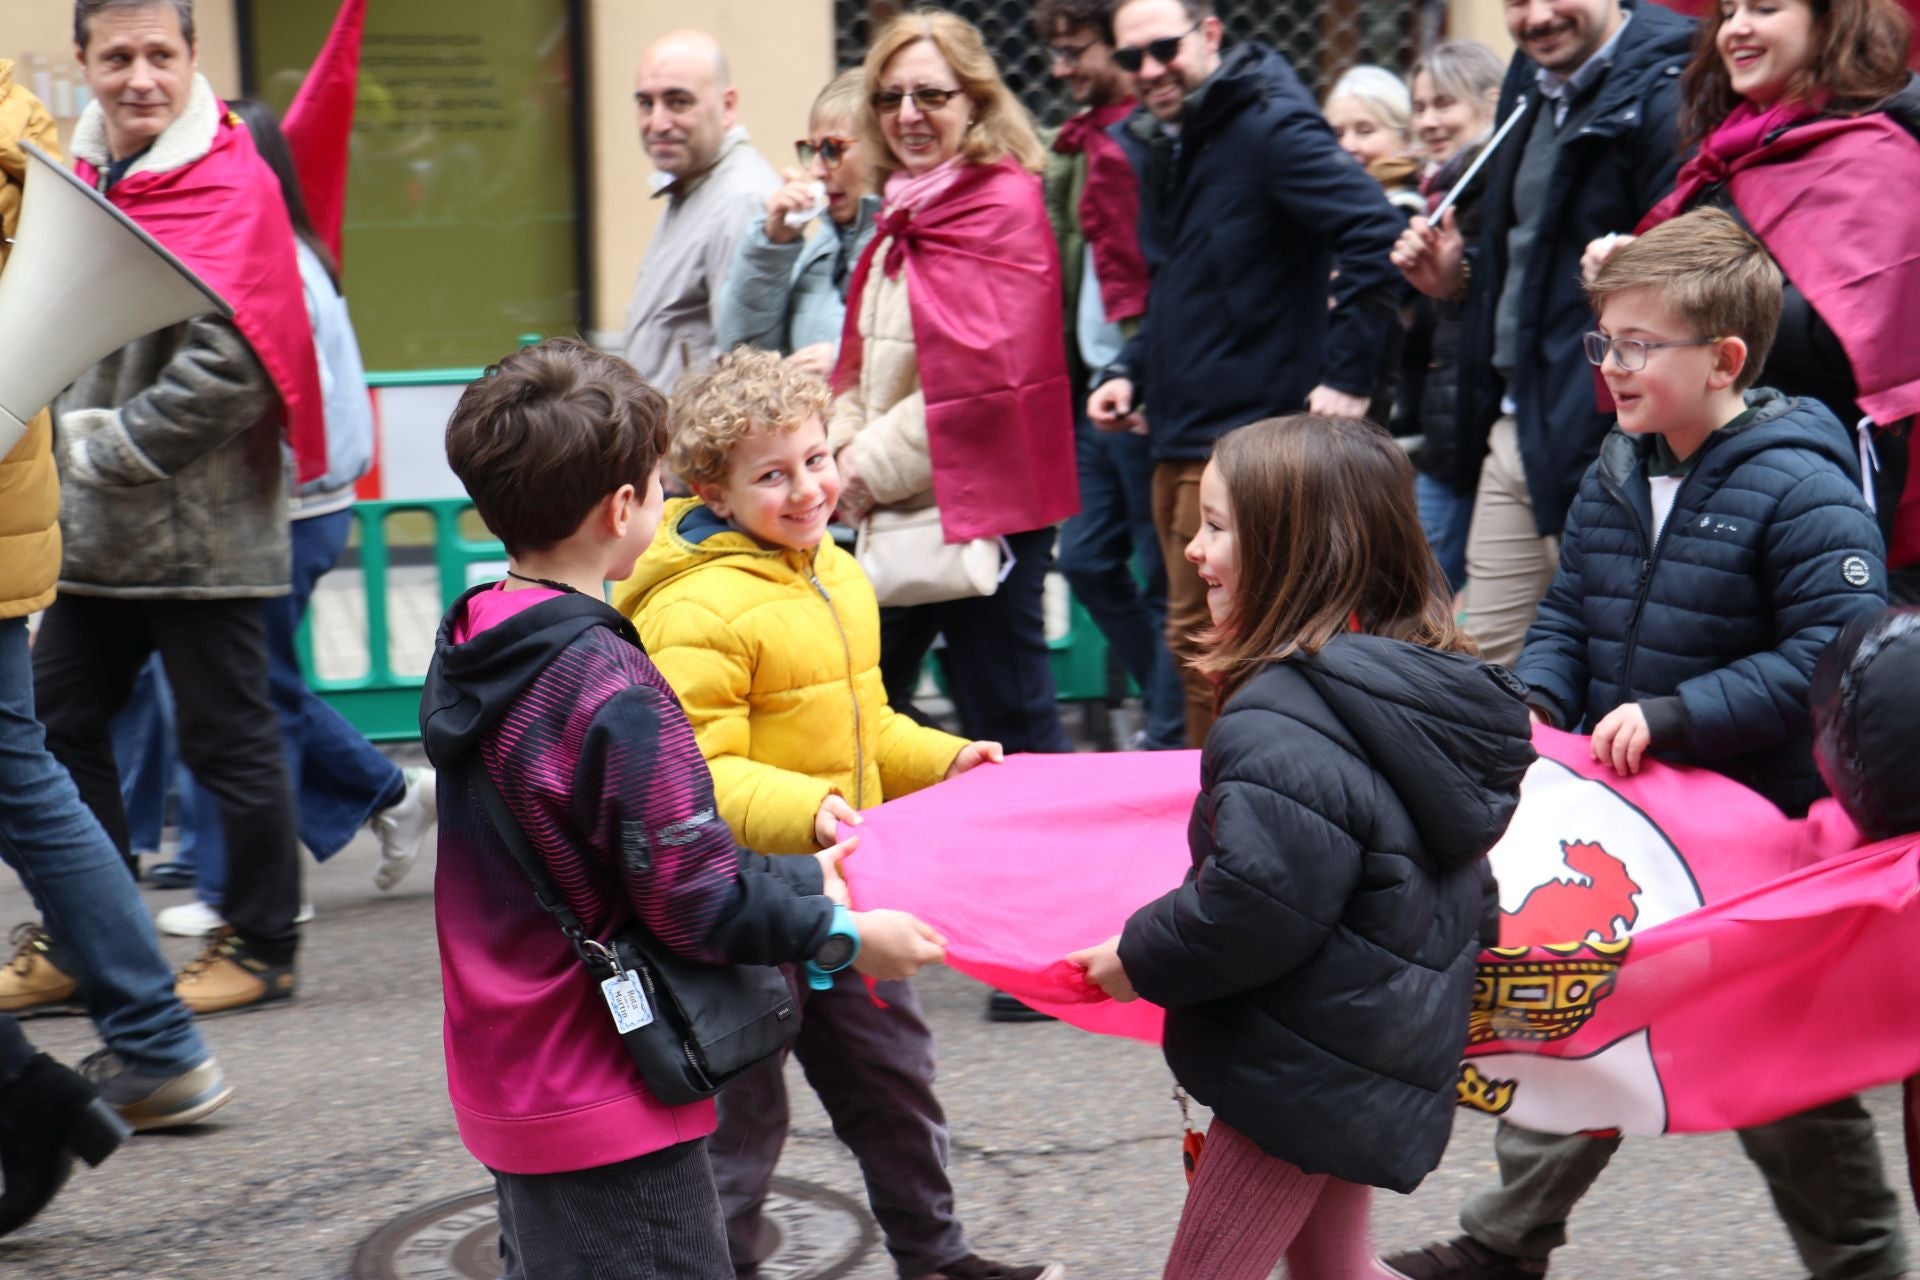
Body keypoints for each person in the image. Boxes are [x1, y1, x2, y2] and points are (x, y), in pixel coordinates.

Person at [1385, 211, 1905, 1280]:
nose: (1611, 366)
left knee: (1779, 1068)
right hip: (1636, 819)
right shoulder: (1620, 464)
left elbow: (1832, 654)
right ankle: (1502, 1241)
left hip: (1753, 832)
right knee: (1584, 1011)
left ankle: (1864, 1263)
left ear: (1723, 361)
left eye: (1637, 344)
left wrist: (1678, 713)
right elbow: (1573, 608)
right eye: (1604, 340)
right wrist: (1538, 697)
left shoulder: (1801, 481)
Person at [423, 339, 948, 1279]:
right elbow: (692, 900)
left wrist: (795, 869)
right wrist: (842, 930)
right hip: (606, 1083)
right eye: (658, 481)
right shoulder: (613, 683)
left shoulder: (480, 631)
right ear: (625, 507)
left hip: (508, 1061)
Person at [615, 349, 1061, 1280]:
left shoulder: (833, 571)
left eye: (817, 459)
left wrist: (948, 760)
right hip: (740, 909)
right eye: (772, 475)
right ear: (713, 491)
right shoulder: (696, 606)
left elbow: (872, 723)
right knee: (740, 1120)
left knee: (894, 1086)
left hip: (847, 887)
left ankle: (935, 1260)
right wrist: (810, 807)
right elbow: (694, 770)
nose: (808, 488)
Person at [1067, 414, 1535, 1280]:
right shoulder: (1402, 692)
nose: (1196, 551)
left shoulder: (1283, 717)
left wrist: (1138, 956)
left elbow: (1252, 903)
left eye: (1216, 526)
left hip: (1301, 1067)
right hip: (1357, 1047)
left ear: (1293, 551)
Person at [30, 0, 320, 1016]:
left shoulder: (231, 178)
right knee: (56, 724)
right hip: (95, 535)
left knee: (227, 741)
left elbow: (237, 363)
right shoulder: (74, 170)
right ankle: (88, 933)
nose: (140, 77)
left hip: (204, 533)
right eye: (118, 57)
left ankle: (266, 943)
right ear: (84, 62)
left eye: (161, 55)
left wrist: (103, 443)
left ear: (194, 58)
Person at [0, 40, 231, 1128]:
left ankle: (154, 1034)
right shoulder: (22, 120)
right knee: (26, 764)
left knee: (24, 770)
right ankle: (152, 1034)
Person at [148, 96, 436, 939]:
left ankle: (258, 884)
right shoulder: (296, 253)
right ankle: (386, 798)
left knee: (229, 693)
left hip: (284, 512)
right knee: (245, 686)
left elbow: (272, 405)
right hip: (301, 509)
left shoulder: (276, 263)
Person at [1090, 0, 1406, 747]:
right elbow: (1185, 282)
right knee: (1200, 648)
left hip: (1246, 446)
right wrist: (1131, 370)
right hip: (1183, 434)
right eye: (1131, 58)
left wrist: (1348, 377)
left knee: (1223, 651)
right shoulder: (1183, 136)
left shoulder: (1266, 124)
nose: (1149, 70)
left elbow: (1374, 232)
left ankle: (1234, 825)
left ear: (1208, 35)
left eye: (1163, 49)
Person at [1582, 0, 1920, 601]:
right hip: (1699, 474)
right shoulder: (1732, 148)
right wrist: (1630, 275)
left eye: (1764, 8)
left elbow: (1853, 337)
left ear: (1832, 21)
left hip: (1805, 489)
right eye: (1728, 9)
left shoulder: (1879, 155)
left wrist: (1677, 302)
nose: (1736, 27)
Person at [1390, 0, 1695, 666]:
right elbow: (1521, 261)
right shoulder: (1529, 83)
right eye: (1517, 2)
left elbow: (1701, 267)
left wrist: (1637, 269)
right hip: (1515, 419)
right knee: (1485, 663)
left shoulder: (1672, 80)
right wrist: (1457, 278)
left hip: (1615, 432)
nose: (1536, 17)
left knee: (1617, 661)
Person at [828, 10, 1079, 756]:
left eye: (931, 95)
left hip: (989, 510)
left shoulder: (1000, 204)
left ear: (975, 101)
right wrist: (841, 446)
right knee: (866, 714)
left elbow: (977, 386)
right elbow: (862, 367)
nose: (908, 115)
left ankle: (1067, 869)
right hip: (898, 507)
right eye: (889, 97)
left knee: (1012, 722)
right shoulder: (902, 209)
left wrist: (855, 469)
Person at [1037, 0, 1184, 755]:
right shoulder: (1076, 144)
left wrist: (1151, 372)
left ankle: (1167, 733)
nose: (1063, 70)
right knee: (1089, 559)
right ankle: (1169, 700)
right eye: (1054, 54)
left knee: (1163, 577)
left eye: (1076, 52)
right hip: (1091, 383)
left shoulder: (1153, 140)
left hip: (1150, 390)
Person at [621, 30, 780, 394]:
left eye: (678, 102)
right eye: (646, 103)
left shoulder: (740, 198)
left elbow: (741, 374)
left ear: (727, 106)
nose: (657, 123)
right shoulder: (692, 181)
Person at [1406, 40, 1506, 591]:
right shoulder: (1441, 192)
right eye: (1420, 107)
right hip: (1451, 434)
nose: (1428, 121)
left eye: (1443, 103)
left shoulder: (1488, 190)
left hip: (1473, 436)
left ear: (1492, 105)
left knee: (1419, 600)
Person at [713, 69, 875, 378]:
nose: (816, 170)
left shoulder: (911, 244)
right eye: (811, 150)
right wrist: (772, 246)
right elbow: (745, 360)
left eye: (832, 150)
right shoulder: (824, 248)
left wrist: (848, 362)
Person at [1325, 65, 1425, 216]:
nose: (1347, 146)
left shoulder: (1406, 209)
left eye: (1365, 131)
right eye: (1337, 134)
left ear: (1406, 136)